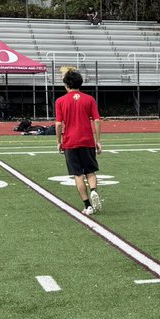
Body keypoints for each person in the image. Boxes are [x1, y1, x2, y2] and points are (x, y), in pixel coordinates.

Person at [55, 69, 103, 216]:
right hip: (87, 140)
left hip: (70, 141)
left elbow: (58, 124)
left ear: (66, 84)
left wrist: (58, 141)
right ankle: (94, 190)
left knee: (78, 175)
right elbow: (96, 120)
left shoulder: (60, 101)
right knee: (90, 171)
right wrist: (98, 140)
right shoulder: (89, 99)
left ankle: (88, 205)